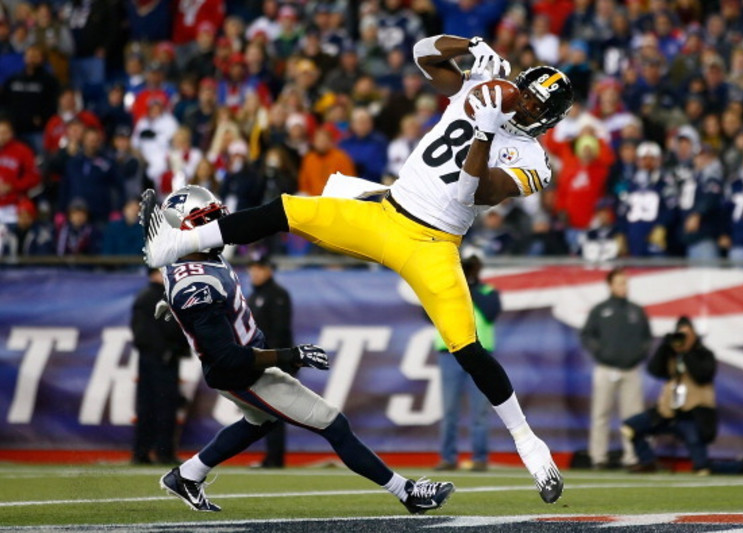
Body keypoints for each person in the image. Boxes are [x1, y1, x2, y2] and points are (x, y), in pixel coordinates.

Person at [141, 34, 574, 504]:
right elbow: (423, 52)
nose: (525, 109)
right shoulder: (486, 87)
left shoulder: (534, 162)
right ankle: (176, 244)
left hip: (432, 244)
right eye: (525, 97)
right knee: (286, 210)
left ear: (549, 120)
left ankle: (528, 443)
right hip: (385, 213)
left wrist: (485, 130)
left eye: (535, 108)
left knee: (466, 347)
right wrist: (468, 48)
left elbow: (470, 193)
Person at [154, 185, 454, 514]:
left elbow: (191, 293)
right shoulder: (195, 283)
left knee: (261, 422)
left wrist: (180, 309)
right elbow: (226, 354)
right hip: (241, 372)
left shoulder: (194, 262)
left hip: (243, 362)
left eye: (215, 215)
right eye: (206, 219)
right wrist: (290, 355)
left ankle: (188, 475)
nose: (216, 224)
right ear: (182, 229)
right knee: (333, 423)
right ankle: (407, 492)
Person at [623, 316, 743, 475]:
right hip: (667, 413)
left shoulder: (704, 354)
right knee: (630, 427)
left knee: (702, 469)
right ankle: (648, 461)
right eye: (680, 335)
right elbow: (654, 370)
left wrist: (687, 352)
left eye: (687, 335)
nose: (683, 339)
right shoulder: (670, 354)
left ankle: (741, 467)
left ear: (694, 335)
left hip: (691, 416)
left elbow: (702, 375)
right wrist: (665, 346)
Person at [434, 250, 499, 472]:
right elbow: (427, 313)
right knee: (449, 409)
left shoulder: (488, 291)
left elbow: (491, 313)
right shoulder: (447, 289)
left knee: (480, 410)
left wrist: (470, 285)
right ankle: (448, 458)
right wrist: (456, 282)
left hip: (480, 354)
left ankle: (480, 458)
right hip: (449, 352)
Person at [580, 268, 651, 469]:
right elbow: (587, 336)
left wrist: (638, 355)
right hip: (605, 368)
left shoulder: (636, 310)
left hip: (631, 370)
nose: (624, 286)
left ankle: (632, 457)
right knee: (600, 414)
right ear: (610, 285)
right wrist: (600, 352)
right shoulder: (600, 310)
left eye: (625, 282)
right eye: (620, 282)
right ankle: (598, 457)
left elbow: (647, 338)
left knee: (633, 416)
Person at [131, 268, 189, 465]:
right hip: (161, 360)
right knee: (164, 407)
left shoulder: (145, 296)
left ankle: (143, 452)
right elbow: (167, 330)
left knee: (148, 406)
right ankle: (162, 452)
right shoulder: (159, 297)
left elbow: (140, 333)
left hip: (152, 359)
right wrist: (169, 350)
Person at [247, 253, 295, 468]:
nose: (254, 272)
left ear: (269, 270)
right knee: (267, 411)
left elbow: (279, 332)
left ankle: (275, 458)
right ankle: (271, 456)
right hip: (261, 360)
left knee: (276, 410)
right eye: (252, 268)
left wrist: (272, 359)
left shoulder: (277, 295)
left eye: (259, 268)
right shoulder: (253, 296)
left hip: (274, 362)